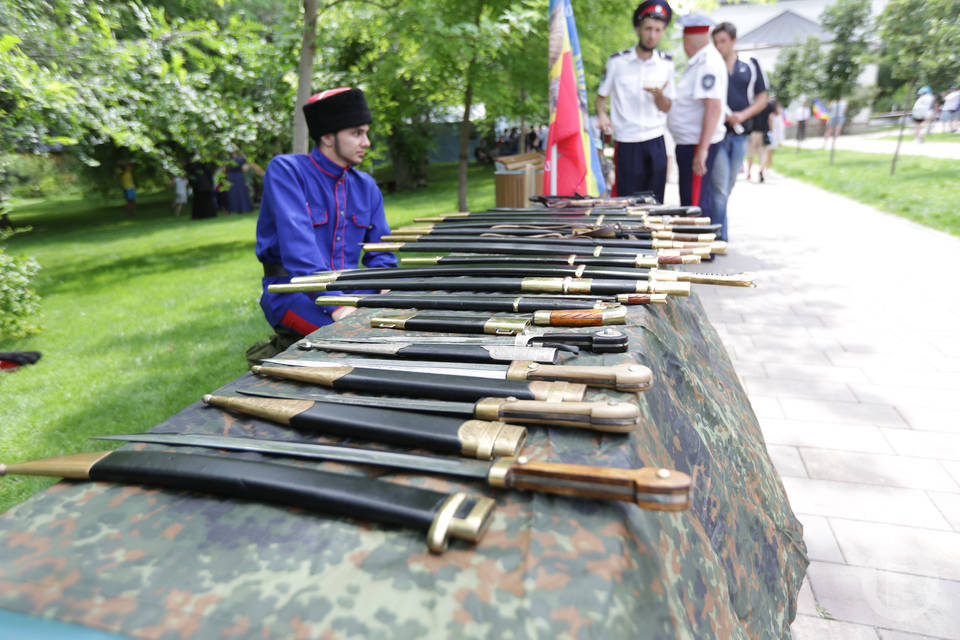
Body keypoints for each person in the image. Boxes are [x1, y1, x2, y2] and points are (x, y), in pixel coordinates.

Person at [255, 87, 397, 338]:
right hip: (292, 293)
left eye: (366, 133)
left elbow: (382, 256)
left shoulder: (366, 186)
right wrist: (337, 304)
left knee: (408, 325)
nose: (367, 142)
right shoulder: (286, 172)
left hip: (351, 291)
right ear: (328, 137)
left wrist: (390, 292)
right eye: (357, 133)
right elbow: (300, 252)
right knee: (358, 338)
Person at [595, 0, 675, 203]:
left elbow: (667, 108)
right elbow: (601, 99)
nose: (652, 35)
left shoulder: (666, 65)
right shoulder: (617, 62)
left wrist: (658, 96)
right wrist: (603, 115)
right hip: (627, 140)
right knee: (626, 202)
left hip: (655, 139)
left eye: (658, 30)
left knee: (654, 202)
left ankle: (652, 236)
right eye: (648, 28)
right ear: (638, 29)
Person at [667, 14, 726, 231]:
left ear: (687, 40)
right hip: (691, 141)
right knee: (694, 195)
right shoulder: (703, 60)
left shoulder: (707, 63)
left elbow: (713, 107)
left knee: (695, 199)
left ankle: (698, 247)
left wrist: (702, 150)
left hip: (696, 143)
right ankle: (697, 245)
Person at [710, 22, 767, 241]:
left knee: (728, 185)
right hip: (718, 134)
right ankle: (718, 237)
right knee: (720, 187)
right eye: (715, 42)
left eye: (723, 41)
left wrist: (742, 115)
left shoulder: (749, 66)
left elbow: (761, 99)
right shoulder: (712, 67)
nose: (719, 46)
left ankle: (716, 230)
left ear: (733, 41)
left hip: (741, 135)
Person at [745, 96, 774, 182]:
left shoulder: (752, 104)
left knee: (750, 153)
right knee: (763, 153)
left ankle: (749, 172)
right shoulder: (768, 105)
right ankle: (761, 170)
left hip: (753, 132)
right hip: (764, 132)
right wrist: (771, 130)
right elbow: (771, 118)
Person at [222, 149, 255, 213]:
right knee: (241, 192)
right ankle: (244, 208)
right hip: (239, 176)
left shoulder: (226, 160)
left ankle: (234, 209)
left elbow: (224, 170)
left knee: (232, 193)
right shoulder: (240, 159)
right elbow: (244, 169)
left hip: (230, 177)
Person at [762, 97, 785, 182]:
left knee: (765, 153)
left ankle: (764, 168)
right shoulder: (777, 115)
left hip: (767, 135)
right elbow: (780, 128)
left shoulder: (767, 113)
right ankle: (767, 168)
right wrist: (780, 140)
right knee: (770, 153)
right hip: (772, 136)